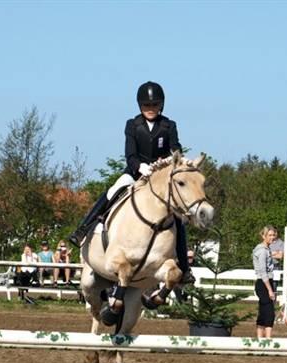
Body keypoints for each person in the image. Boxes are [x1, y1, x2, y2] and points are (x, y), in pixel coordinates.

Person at [68, 81, 193, 283]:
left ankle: (185, 268)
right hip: (136, 172)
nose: (150, 109)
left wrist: (170, 160)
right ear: (140, 106)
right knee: (112, 191)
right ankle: (82, 229)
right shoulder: (132, 125)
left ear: (160, 105)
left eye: (154, 105)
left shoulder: (168, 125)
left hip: (159, 178)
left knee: (177, 216)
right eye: (146, 106)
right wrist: (140, 167)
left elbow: (175, 148)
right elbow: (130, 153)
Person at [253, 226, 278, 339]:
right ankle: (268, 339)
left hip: (266, 282)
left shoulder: (266, 249)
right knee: (269, 313)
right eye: (270, 235)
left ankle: (260, 339)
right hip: (264, 283)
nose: (272, 237)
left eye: (273, 235)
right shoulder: (262, 251)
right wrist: (270, 290)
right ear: (263, 236)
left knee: (263, 311)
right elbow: (263, 272)